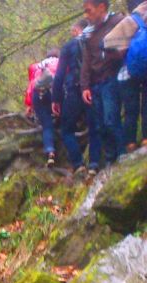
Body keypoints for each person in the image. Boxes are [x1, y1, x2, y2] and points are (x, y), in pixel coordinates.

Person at [81, 0, 128, 174]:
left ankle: (122, 152)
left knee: (111, 119)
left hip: (111, 78)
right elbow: (86, 61)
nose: (86, 15)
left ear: (101, 7)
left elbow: (125, 49)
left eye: (89, 11)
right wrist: (84, 86)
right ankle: (110, 159)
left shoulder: (117, 22)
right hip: (95, 84)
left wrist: (111, 51)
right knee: (100, 124)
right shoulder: (89, 33)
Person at [105, 0, 147, 150]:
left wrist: (124, 51)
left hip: (128, 71)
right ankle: (145, 138)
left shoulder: (131, 20)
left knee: (131, 109)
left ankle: (130, 142)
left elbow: (107, 42)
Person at [53, 20, 92, 170]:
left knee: (67, 129)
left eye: (72, 31)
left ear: (77, 30)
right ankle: (95, 164)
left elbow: (60, 74)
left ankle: (78, 163)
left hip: (74, 90)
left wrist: (56, 99)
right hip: (94, 88)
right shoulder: (96, 40)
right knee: (95, 127)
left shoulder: (69, 46)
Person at [27, 49, 61, 165]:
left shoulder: (37, 67)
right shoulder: (60, 62)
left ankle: (50, 150)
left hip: (38, 94)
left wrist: (29, 105)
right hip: (53, 92)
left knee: (46, 125)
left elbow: (31, 85)